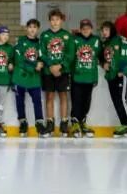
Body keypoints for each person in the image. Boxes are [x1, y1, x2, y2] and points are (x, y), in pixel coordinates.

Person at [40, 8, 74, 137]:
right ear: (49, 21)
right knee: (49, 96)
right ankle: (50, 123)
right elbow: (42, 52)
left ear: (61, 20)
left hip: (62, 71)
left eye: (57, 20)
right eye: (52, 20)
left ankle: (64, 123)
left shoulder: (67, 35)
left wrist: (60, 66)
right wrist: (51, 66)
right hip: (49, 72)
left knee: (63, 96)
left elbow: (70, 54)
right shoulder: (44, 35)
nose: (55, 22)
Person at [68, 19, 101, 137]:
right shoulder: (75, 39)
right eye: (83, 28)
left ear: (91, 29)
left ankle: (82, 122)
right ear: (80, 29)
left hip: (90, 76)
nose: (86, 30)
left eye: (88, 28)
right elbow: (70, 55)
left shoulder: (96, 40)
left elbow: (101, 54)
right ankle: (75, 122)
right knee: (76, 100)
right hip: (77, 75)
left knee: (87, 101)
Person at [100, 20, 127, 136]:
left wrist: (123, 70)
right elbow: (103, 58)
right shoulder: (105, 44)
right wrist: (103, 63)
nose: (104, 32)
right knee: (116, 101)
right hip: (110, 76)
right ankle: (123, 125)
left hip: (119, 75)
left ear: (112, 30)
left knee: (121, 100)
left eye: (106, 30)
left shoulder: (120, 39)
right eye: (103, 30)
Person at [13, 19, 46, 136]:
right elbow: (19, 60)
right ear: (26, 28)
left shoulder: (40, 43)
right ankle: (23, 123)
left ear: (38, 29)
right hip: (20, 77)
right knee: (19, 102)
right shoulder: (20, 41)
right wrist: (34, 65)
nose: (32, 29)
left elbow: (43, 58)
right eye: (30, 27)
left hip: (34, 79)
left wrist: (41, 63)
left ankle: (40, 124)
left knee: (37, 101)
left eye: (35, 27)